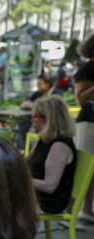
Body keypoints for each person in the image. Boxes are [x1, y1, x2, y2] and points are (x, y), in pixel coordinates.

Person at [27, 95, 77, 214]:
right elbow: (22, 163)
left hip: (48, 203)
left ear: (48, 119)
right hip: (35, 196)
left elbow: (49, 186)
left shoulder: (59, 146)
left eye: (35, 116)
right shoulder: (45, 140)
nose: (32, 119)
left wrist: (19, 179)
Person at [74, 33, 94, 222]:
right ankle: (69, 209)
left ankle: (87, 208)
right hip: (88, 123)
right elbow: (81, 98)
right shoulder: (87, 69)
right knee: (83, 166)